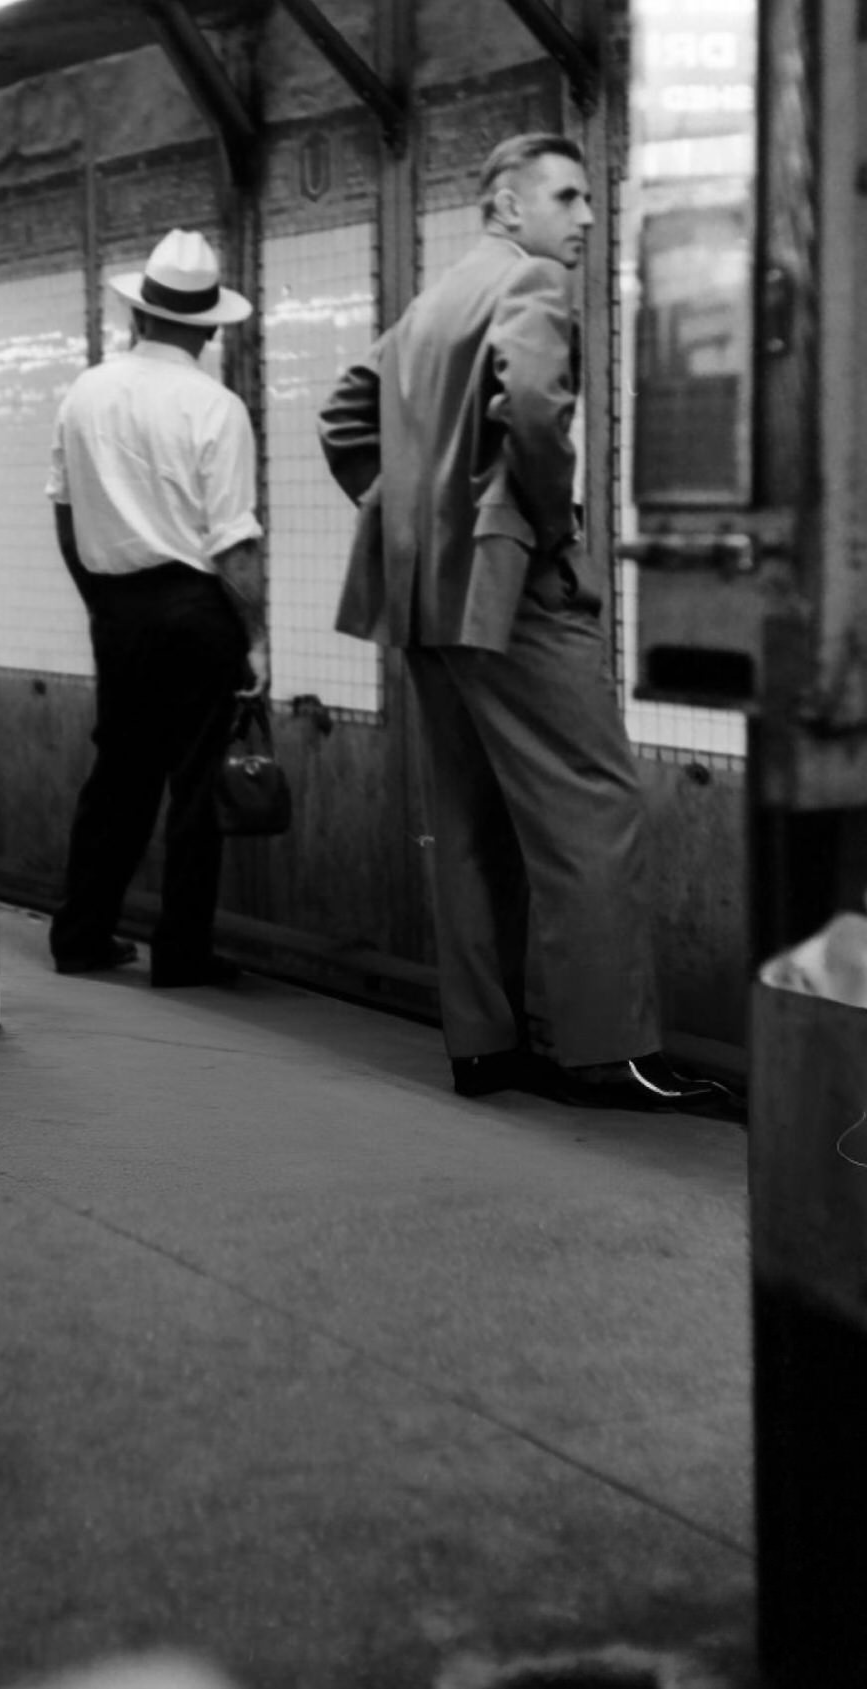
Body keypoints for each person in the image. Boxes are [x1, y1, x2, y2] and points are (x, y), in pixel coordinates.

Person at [318, 133, 728, 1112]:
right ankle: (607, 1051)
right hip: (512, 595)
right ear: (506, 206)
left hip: (424, 595)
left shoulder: (431, 301)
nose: (585, 219)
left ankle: (484, 1046)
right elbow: (536, 412)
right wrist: (543, 533)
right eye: (568, 198)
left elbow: (344, 416)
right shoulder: (531, 284)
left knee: (469, 819)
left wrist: (412, 515)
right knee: (593, 801)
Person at [46, 228, 268, 988]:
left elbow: (66, 514)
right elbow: (234, 545)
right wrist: (257, 642)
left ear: (137, 315)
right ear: (208, 328)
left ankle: (81, 933)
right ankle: (182, 953)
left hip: (118, 609)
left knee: (119, 775)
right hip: (196, 607)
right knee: (197, 785)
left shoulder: (86, 391)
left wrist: (102, 599)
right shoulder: (217, 406)